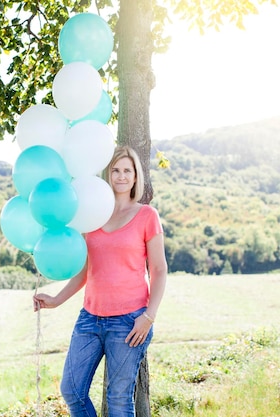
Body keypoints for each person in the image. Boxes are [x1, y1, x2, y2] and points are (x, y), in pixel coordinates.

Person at [33, 146, 167, 417]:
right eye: (115, 170)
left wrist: (149, 317)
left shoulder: (146, 216)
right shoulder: (92, 215)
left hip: (130, 322)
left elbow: (159, 270)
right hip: (90, 319)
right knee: (71, 390)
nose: (121, 176)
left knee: (118, 399)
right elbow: (84, 271)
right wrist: (56, 300)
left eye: (127, 170)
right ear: (107, 174)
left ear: (135, 176)